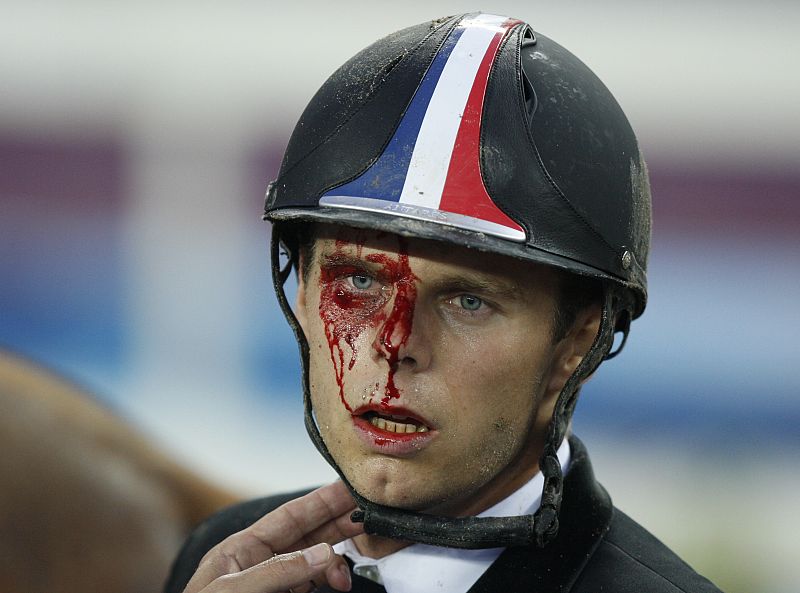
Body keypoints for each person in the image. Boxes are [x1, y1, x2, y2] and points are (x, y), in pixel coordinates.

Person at [164, 12, 723, 593]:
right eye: (357, 281)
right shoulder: (219, 560)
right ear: (301, 291)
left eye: (468, 301)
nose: (395, 344)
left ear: (576, 342)